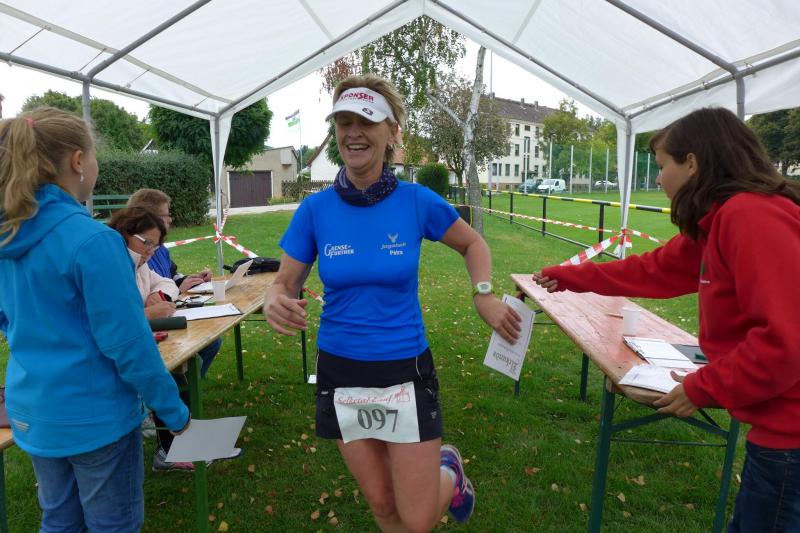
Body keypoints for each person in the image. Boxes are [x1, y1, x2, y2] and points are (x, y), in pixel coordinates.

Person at [263, 74, 522, 532]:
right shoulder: (315, 210)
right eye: (344, 122)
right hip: (341, 372)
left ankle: (450, 472)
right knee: (383, 505)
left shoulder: (416, 201)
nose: (353, 133)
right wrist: (274, 297)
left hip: (404, 369)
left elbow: (473, 244)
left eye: (366, 121)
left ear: (391, 133)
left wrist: (482, 294)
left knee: (417, 519)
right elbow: (285, 282)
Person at [532, 107, 800, 532]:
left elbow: (785, 341)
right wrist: (571, 277)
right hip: (778, 430)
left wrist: (703, 386)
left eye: (661, 166)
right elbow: (652, 270)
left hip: (789, 437)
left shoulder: (750, 217)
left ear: (692, 162)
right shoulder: (719, 221)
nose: (658, 179)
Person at [0, 107, 189, 531]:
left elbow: (7, 318)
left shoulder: (8, 236)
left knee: (59, 520)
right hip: (95, 417)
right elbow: (129, 343)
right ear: (77, 161)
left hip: (34, 409)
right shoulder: (93, 241)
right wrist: (173, 412)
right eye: (95, 155)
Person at [127, 188, 221, 377]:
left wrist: (168, 289)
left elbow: (168, 279)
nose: (170, 220)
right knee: (195, 352)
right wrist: (153, 308)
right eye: (166, 215)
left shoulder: (154, 251)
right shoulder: (132, 258)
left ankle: (183, 388)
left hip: (157, 323)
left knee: (212, 341)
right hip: (139, 340)